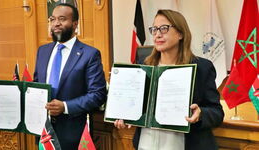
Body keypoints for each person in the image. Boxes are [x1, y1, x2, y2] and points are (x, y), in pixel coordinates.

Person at [114, 9, 224, 150]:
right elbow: (136, 106)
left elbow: (216, 113)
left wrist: (200, 114)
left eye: (164, 28)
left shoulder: (202, 67)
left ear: (180, 33)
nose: (157, 34)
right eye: (154, 29)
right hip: (146, 144)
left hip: (184, 145)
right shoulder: (144, 66)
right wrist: (125, 115)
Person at [33, 3, 107, 150]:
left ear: (75, 24)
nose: (56, 23)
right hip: (43, 132)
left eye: (62, 19)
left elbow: (98, 95)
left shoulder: (89, 54)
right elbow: (35, 86)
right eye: (52, 19)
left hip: (74, 136)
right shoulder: (42, 51)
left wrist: (65, 107)